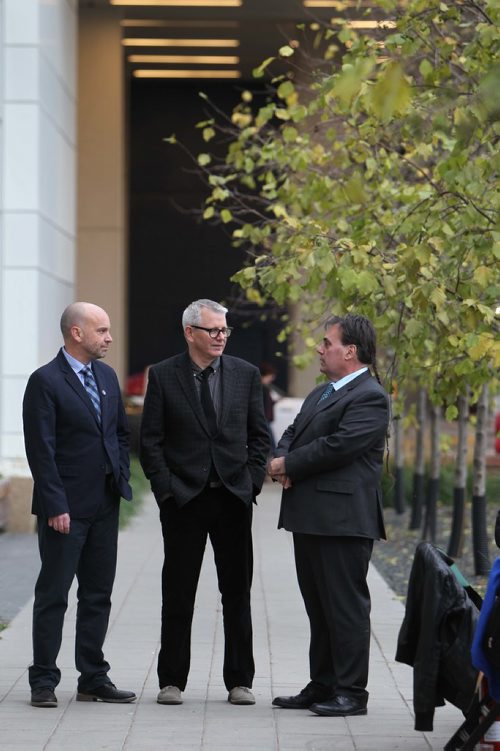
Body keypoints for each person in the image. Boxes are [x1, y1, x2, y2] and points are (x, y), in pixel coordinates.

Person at [140, 299, 269, 706]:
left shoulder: (245, 375)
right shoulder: (162, 375)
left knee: (237, 592)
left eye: (224, 330)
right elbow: (151, 442)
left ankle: (240, 681)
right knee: (178, 592)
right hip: (184, 501)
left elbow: (260, 436)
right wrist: (166, 492)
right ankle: (172, 680)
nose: (220, 337)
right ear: (189, 332)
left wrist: (249, 485)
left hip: (232, 498)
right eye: (212, 330)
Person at [268, 314, 389, 717]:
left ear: (349, 351)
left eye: (327, 343)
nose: (319, 349)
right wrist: (281, 458)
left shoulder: (370, 396)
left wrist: (289, 465)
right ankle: (322, 684)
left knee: (345, 608)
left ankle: (351, 692)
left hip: (343, 520)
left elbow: (339, 446)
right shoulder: (321, 393)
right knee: (318, 607)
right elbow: (294, 433)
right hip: (311, 516)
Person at [23, 302, 136, 708]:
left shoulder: (105, 376)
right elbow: (41, 449)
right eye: (102, 331)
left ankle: (92, 678)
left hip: (104, 504)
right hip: (64, 510)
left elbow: (120, 435)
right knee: (54, 594)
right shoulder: (45, 381)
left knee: (98, 595)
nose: (109, 338)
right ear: (76, 333)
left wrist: (120, 476)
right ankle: (43, 680)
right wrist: (55, 504)